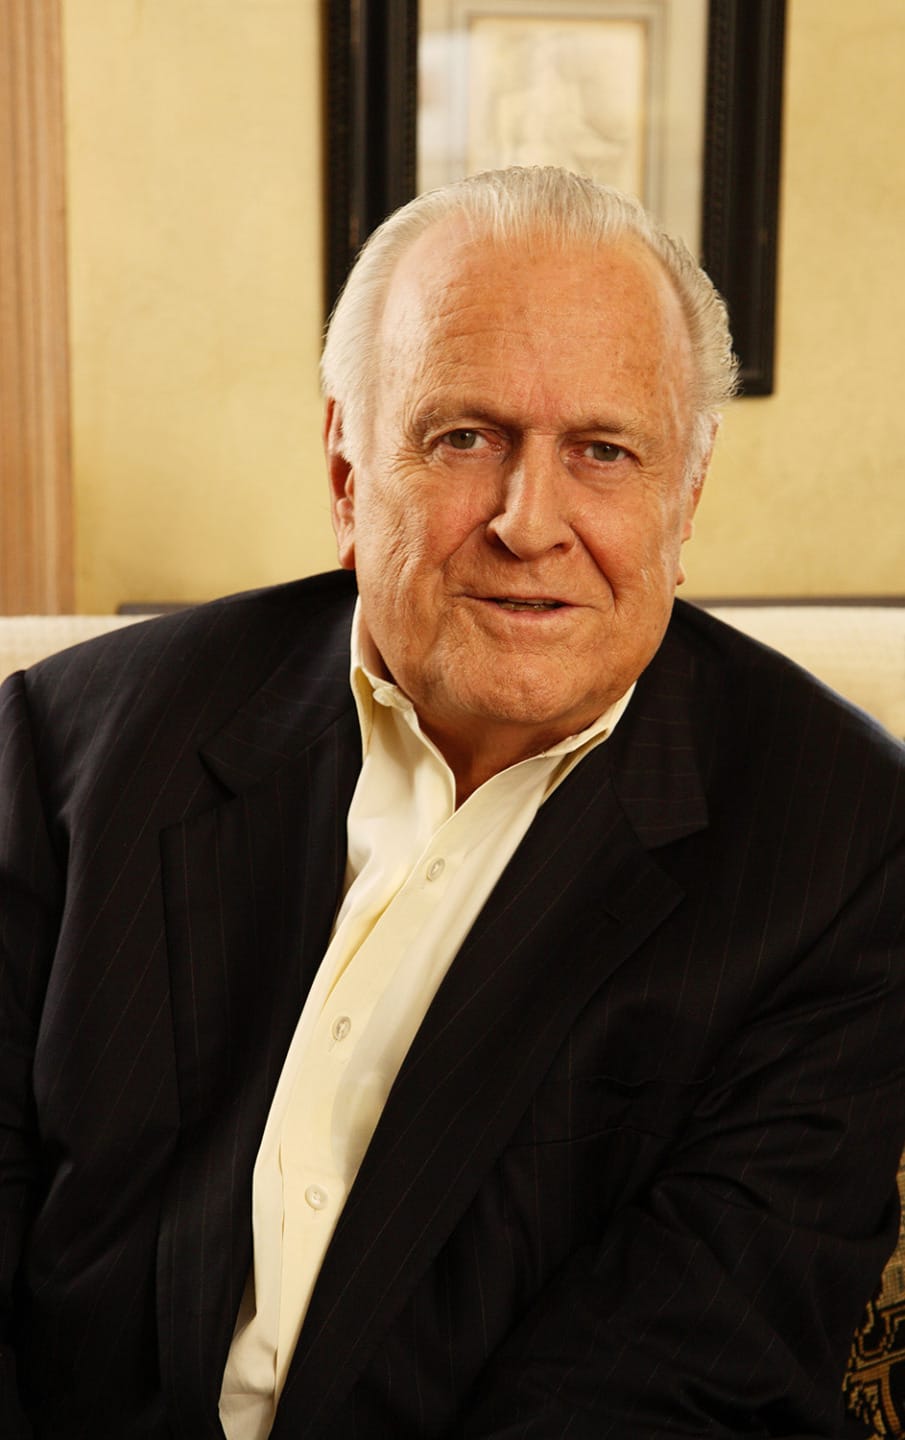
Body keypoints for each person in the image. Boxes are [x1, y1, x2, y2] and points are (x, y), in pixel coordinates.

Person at [1, 167, 904, 1440]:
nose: (529, 523)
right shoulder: (77, 745)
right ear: (344, 470)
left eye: (602, 452)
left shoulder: (840, 844)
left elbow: (687, 1370)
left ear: (684, 499)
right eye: (463, 438)